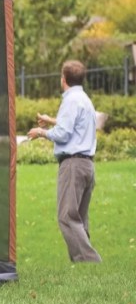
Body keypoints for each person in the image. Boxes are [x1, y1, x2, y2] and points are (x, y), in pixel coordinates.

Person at [27, 60, 101, 263]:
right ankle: (85, 266)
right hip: (87, 165)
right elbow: (75, 125)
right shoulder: (85, 99)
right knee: (80, 217)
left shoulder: (70, 100)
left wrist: (41, 132)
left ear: (64, 79)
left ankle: (90, 261)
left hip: (73, 165)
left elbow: (64, 133)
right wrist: (51, 120)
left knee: (67, 217)